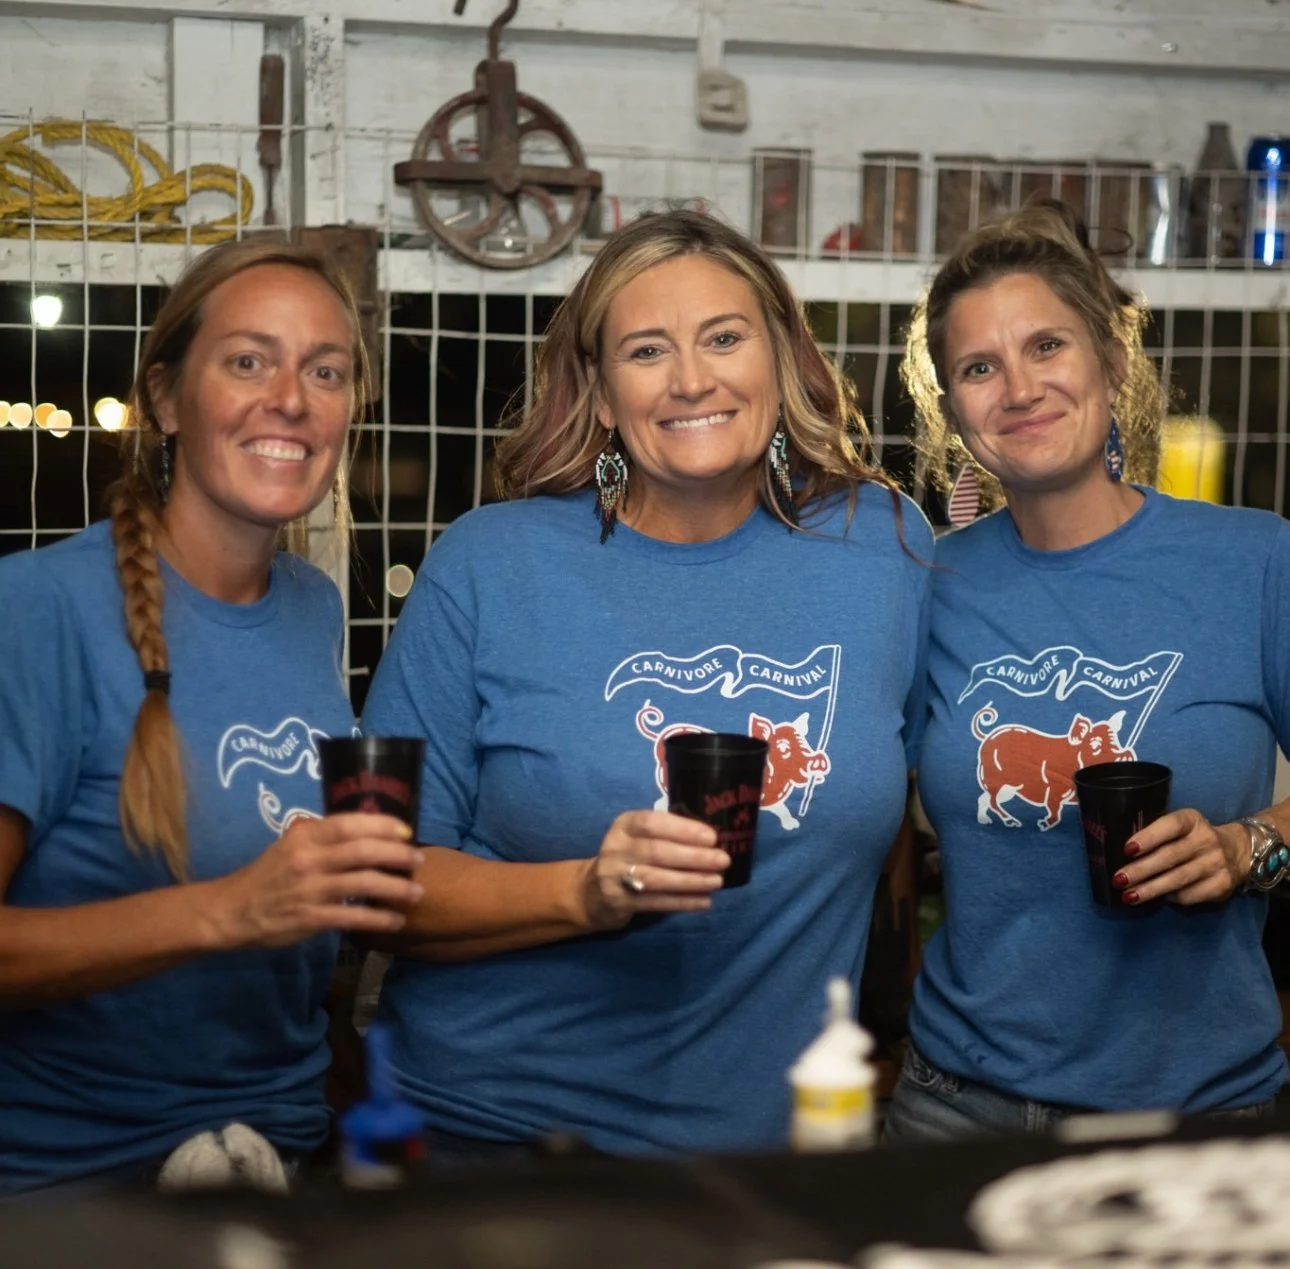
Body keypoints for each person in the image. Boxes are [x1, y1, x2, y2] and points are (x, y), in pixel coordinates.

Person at [360, 209, 932, 1156]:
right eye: (646, 349)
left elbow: (936, 784)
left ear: (781, 357)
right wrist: (585, 890)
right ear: (599, 388)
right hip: (496, 1138)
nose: (692, 379)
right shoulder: (491, 564)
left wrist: (1261, 840)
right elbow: (378, 886)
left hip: (772, 1154)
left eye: (724, 337)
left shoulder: (881, 547)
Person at [0, 238, 424, 1195]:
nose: (290, 397)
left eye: (327, 370)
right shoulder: (37, 609)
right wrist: (233, 909)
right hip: (73, 1194)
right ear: (163, 398)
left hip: (278, 1164)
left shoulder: (313, 609)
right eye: (247, 360)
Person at [885, 198, 1290, 1141]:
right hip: (954, 1106)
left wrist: (1250, 848)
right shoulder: (925, 579)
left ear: (1110, 360)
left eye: (1047, 347)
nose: (1017, 388)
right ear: (952, 407)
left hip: (1203, 1109)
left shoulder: (1255, 559)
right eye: (979, 366)